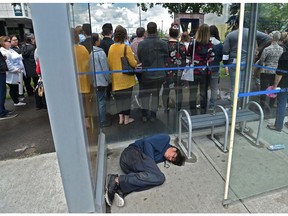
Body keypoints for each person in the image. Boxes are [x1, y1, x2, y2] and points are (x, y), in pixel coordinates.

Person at [105, 133, 186, 207]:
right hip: (131, 154)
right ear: (174, 148)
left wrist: (150, 165)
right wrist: (150, 162)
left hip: (130, 168)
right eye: (173, 156)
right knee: (160, 177)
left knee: (153, 180)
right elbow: (147, 142)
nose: (170, 158)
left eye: (172, 160)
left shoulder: (162, 158)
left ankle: (121, 188)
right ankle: (116, 180)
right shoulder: (165, 139)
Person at [222, 16, 271, 109]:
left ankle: (233, 107)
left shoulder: (231, 35)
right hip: (247, 63)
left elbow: (225, 51)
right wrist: (259, 49)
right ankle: (242, 106)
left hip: (234, 63)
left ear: (236, 24)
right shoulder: (252, 32)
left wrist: (225, 63)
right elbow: (268, 38)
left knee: (234, 86)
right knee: (244, 85)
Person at [137, 22, 169, 122]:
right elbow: (166, 58)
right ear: (156, 30)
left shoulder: (141, 44)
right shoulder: (163, 43)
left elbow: (140, 58)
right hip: (159, 74)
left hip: (146, 74)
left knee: (145, 95)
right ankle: (153, 115)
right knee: (155, 94)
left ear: (147, 30)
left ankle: (145, 115)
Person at [107, 25, 138, 125]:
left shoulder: (111, 47)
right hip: (126, 78)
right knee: (127, 99)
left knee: (118, 100)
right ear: (124, 36)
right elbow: (133, 63)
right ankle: (127, 119)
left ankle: (120, 118)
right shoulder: (126, 48)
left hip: (116, 78)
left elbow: (109, 63)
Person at [187, 24, 214, 115]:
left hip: (194, 71)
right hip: (205, 71)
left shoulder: (193, 42)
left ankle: (193, 112)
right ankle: (203, 112)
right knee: (204, 92)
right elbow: (212, 57)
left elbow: (188, 55)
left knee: (192, 92)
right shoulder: (210, 44)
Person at [256, 31, 283, 113]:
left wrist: (258, 68)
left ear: (271, 38)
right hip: (276, 72)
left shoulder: (267, 49)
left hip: (266, 70)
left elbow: (261, 60)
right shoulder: (282, 49)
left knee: (263, 89)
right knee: (273, 89)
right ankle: (270, 107)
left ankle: (261, 107)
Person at [162, 23, 187, 111]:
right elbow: (184, 60)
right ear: (178, 34)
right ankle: (178, 108)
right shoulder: (182, 46)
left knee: (166, 90)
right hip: (178, 72)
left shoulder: (164, 45)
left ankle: (166, 107)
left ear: (169, 33)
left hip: (166, 71)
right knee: (179, 91)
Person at [89, 33, 111, 128]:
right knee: (102, 101)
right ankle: (102, 121)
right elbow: (105, 68)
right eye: (99, 39)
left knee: (99, 99)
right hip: (101, 80)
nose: (100, 40)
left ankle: (101, 118)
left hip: (95, 81)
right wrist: (108, 79)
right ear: (96, 41)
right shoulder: (100, 53)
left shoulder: (91, 53)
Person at [266, 44, 288, 132]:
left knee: (281, 104)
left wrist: (275, 86)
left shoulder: (285, 55)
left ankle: (278, 126)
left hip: (285, 83)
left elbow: (279, 73)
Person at [0, 36, 26, 107]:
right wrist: (16, 69)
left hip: (16, 72)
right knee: (13, 87)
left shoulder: (9, 49)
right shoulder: (4, 52)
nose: (10, 43)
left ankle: (17, 100)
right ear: (3, 42)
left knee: (16, 86)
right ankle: (16, 101)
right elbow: (8, 64)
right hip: (11, 73)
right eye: (8, 41)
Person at [0, 47, 17, 120]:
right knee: (1, 93)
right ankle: (1, 113)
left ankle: (3, 110)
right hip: (0, 73)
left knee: (2, 92)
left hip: (2, 72)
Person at [208, 25, 223, 111]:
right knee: (214, 88)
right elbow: (221, 57)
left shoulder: (206, 42)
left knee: (204, 87)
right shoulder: (219, 44)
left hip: (205, 68)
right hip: (215, 67)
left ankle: (202, 103)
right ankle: (212, 105)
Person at [130, 27, 145, 108]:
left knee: (141, 83)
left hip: (137, 67)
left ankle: (140, 98)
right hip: (145, 67)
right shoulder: (145, 42)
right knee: (144, 85)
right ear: (144, 33)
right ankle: (142, 100)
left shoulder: (132, 44)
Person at [10, 34, 25, 100]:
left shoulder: (21, 46)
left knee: (25, 81)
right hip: (16, 69)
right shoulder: (11, 50)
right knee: (18, 84)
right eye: (14, 40)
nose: (16, 41)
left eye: (16, 39)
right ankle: (19, 97)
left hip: (23, 67)